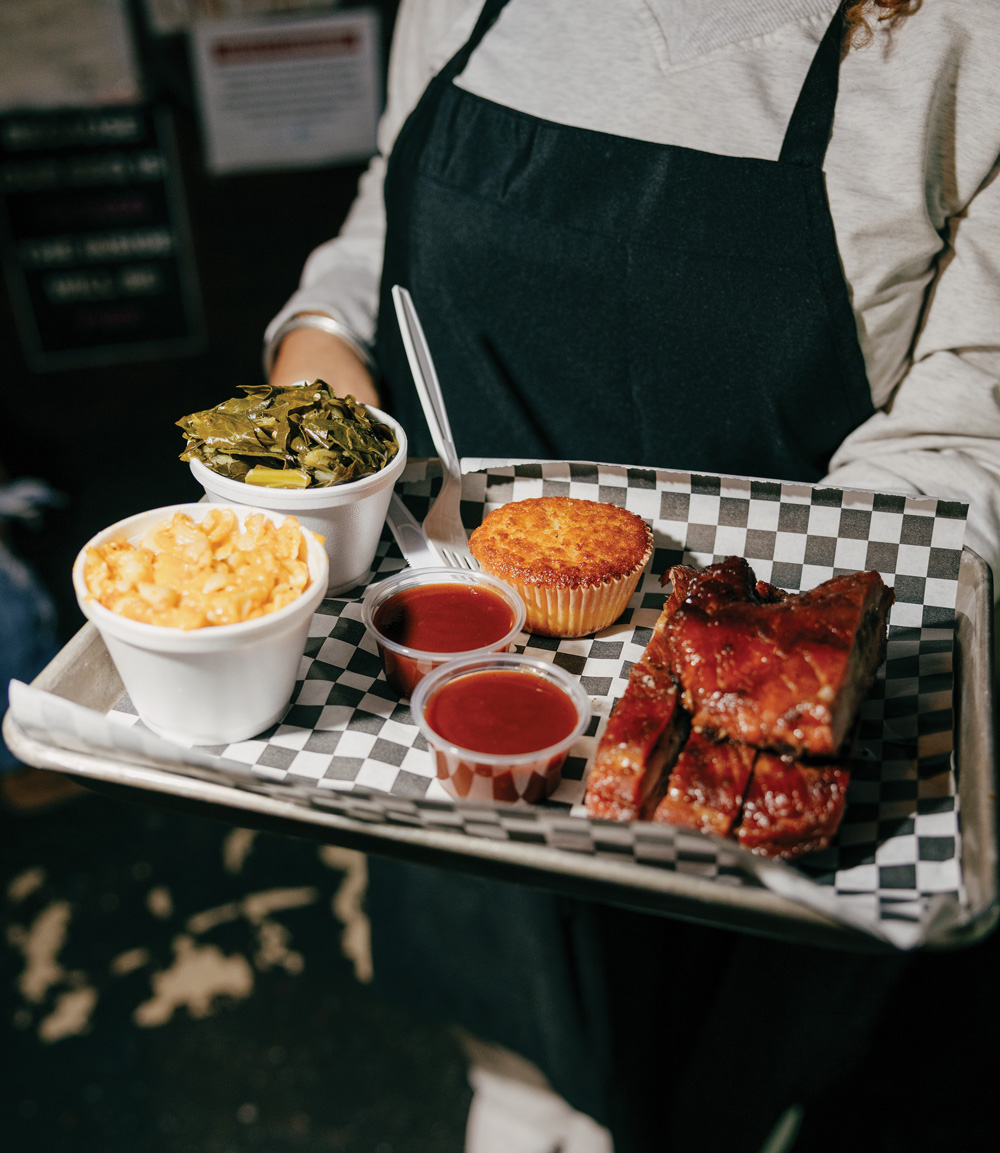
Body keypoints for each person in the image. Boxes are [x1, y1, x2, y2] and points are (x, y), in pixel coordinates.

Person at [264, 3, 1000, 1150]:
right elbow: (384, 212)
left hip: (748, 750)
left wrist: (758, 668)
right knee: (512, 1059)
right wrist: (317, 346)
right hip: (437, 685)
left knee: (713, 1083)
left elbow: (970, 418)